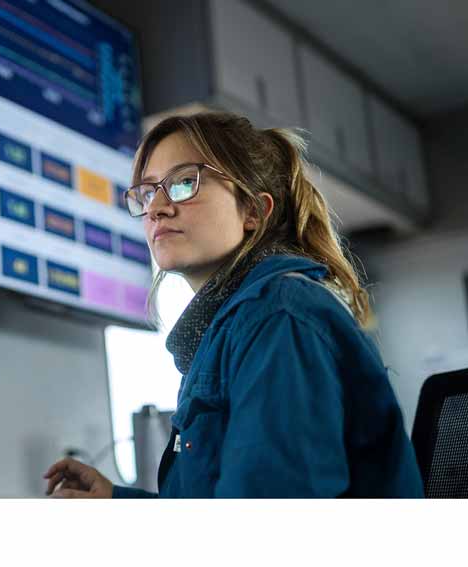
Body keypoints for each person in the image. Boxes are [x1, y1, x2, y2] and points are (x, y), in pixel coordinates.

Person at [44, 111, 423, 499]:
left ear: (253, 211)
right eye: (147, 192)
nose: (156, 207)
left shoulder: (277, 316)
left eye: (183, 183)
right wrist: (116, 501)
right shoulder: (228, 327)